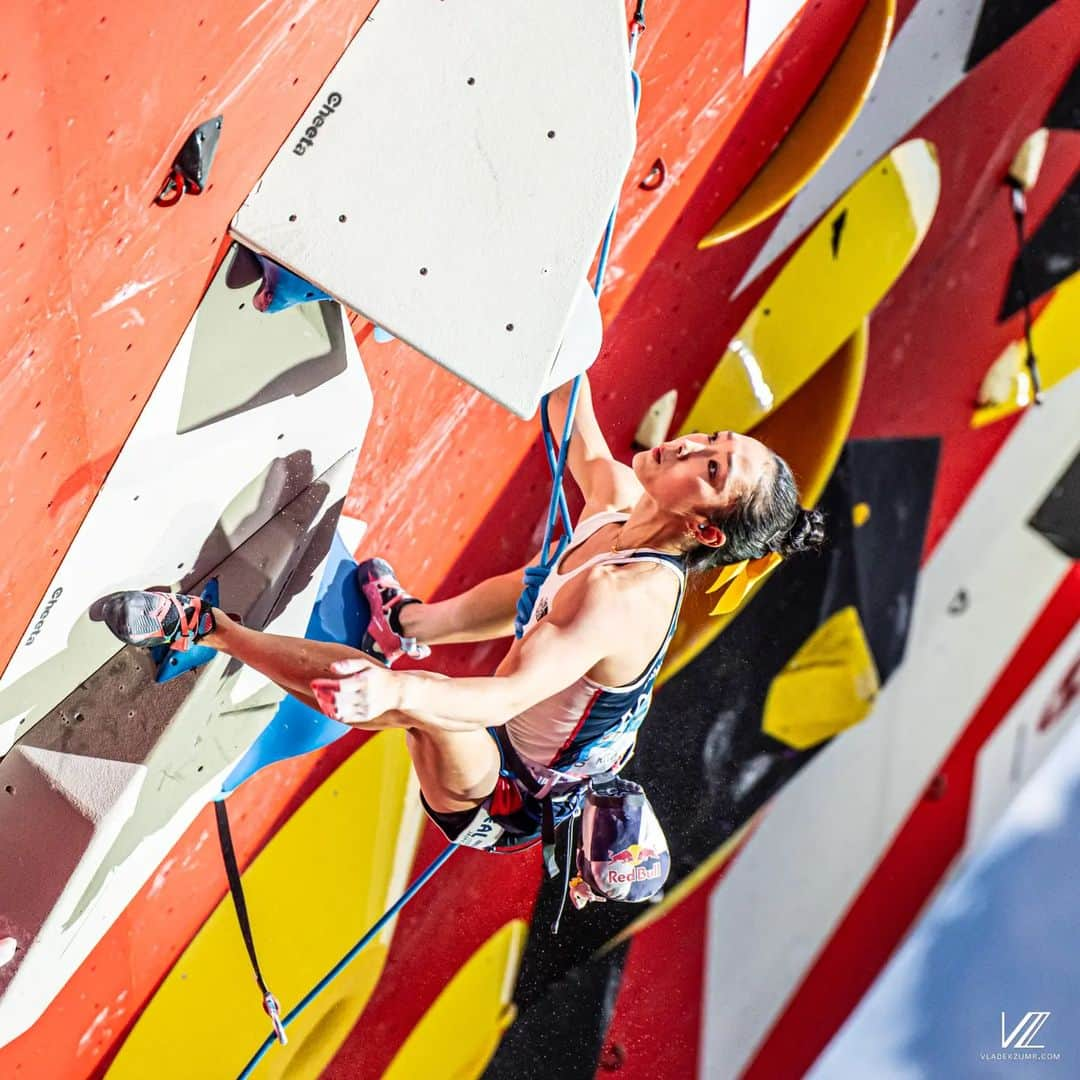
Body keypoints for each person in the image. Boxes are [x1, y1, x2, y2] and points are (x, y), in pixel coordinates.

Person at [98, 374, 824, 847]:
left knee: (434, 704)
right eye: (714, 440)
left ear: (703, 530)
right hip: (537, 690)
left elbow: (504, 695)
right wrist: (564, 317)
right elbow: (575, 423)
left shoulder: (622, 601)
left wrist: (396, 689)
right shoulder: (622, 505)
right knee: (547, 583)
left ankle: (204, 628)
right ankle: (405, 624)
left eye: (711, 469)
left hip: (506, 795)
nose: (691, 443)